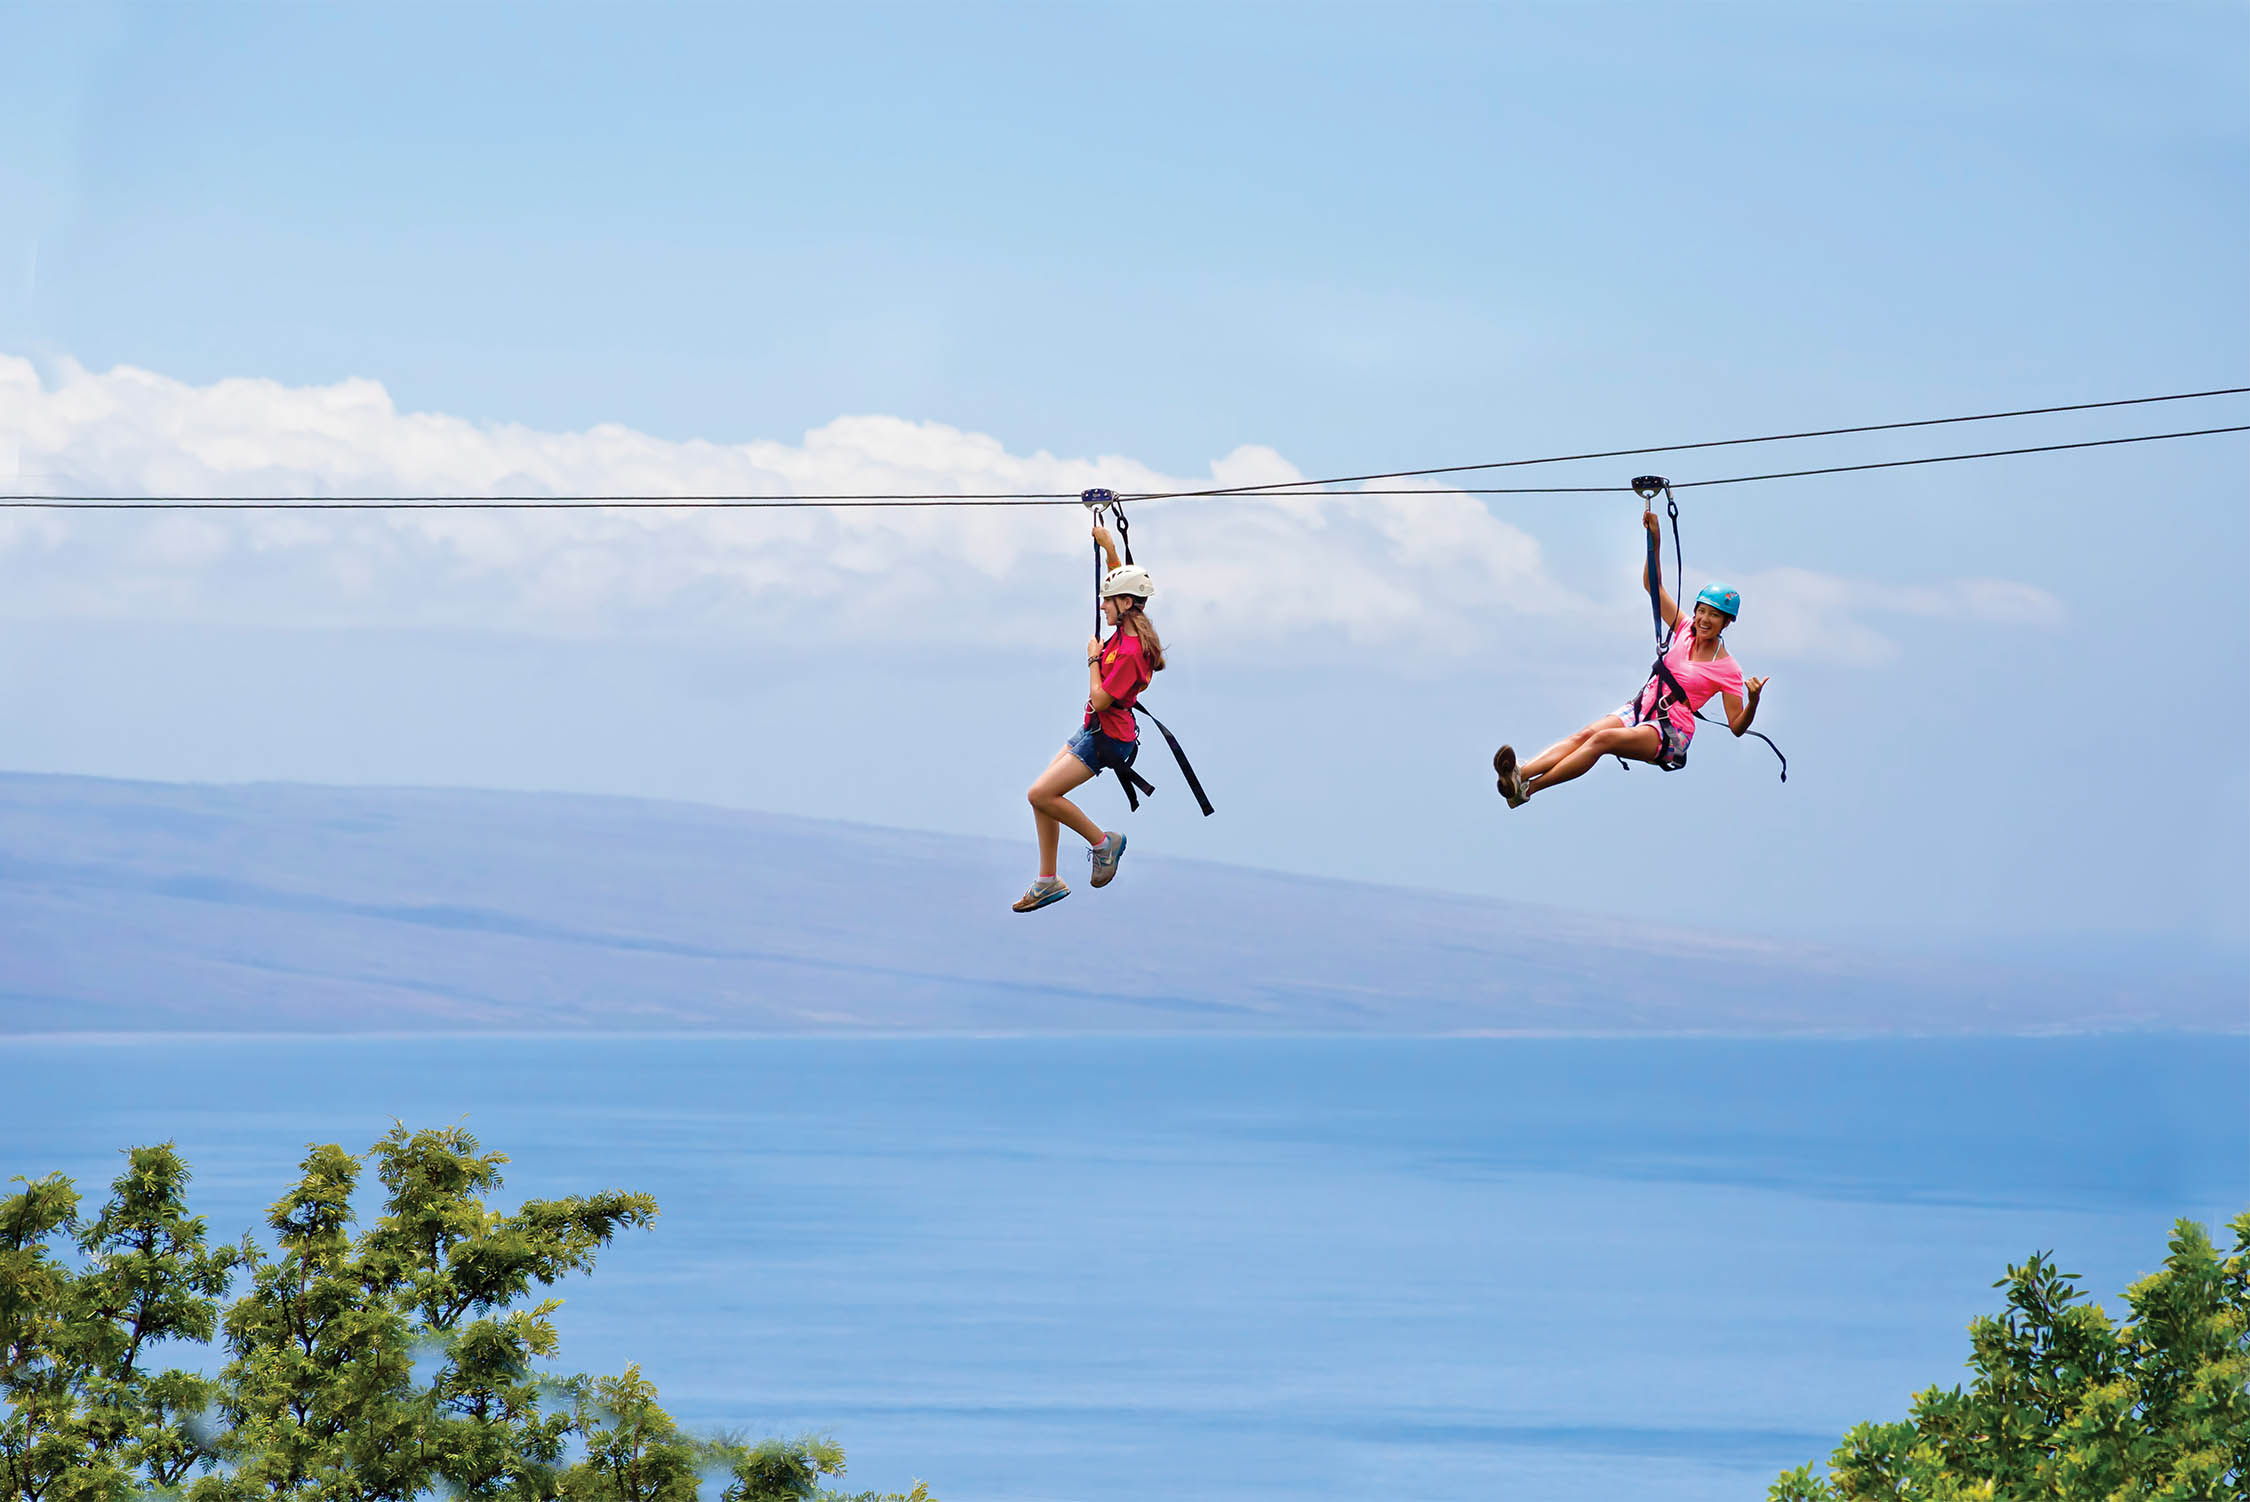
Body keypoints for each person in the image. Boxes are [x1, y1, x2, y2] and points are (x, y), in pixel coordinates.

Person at [1493, 506, 1767, 807]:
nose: (1703, 619)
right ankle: (1519, 773)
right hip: (1640, 707)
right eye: (1701, 610)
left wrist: (1752, 700)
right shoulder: (1685, 629)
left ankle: (1529, 790)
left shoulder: (1727, 668)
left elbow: (1737, 727)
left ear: (1727, 622)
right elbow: (1653, 586)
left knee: (1602, 741)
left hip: (1671, 730)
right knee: (1585, 734)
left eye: (1714, 615)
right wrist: (1655, 540)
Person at [1013, 520, 1166, 912]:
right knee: (1043, 794)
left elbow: (1099, 699)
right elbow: (1122, 582)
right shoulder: (1130, 622)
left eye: (1108, 600)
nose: (1103, 606)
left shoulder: (1131, 652)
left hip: (1108, 736)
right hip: (1094, 729)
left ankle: (1103, 843)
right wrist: (1109, 545)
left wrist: (1093, 660)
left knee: (1040, 793)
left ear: (1125, 604)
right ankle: (1047, 879)